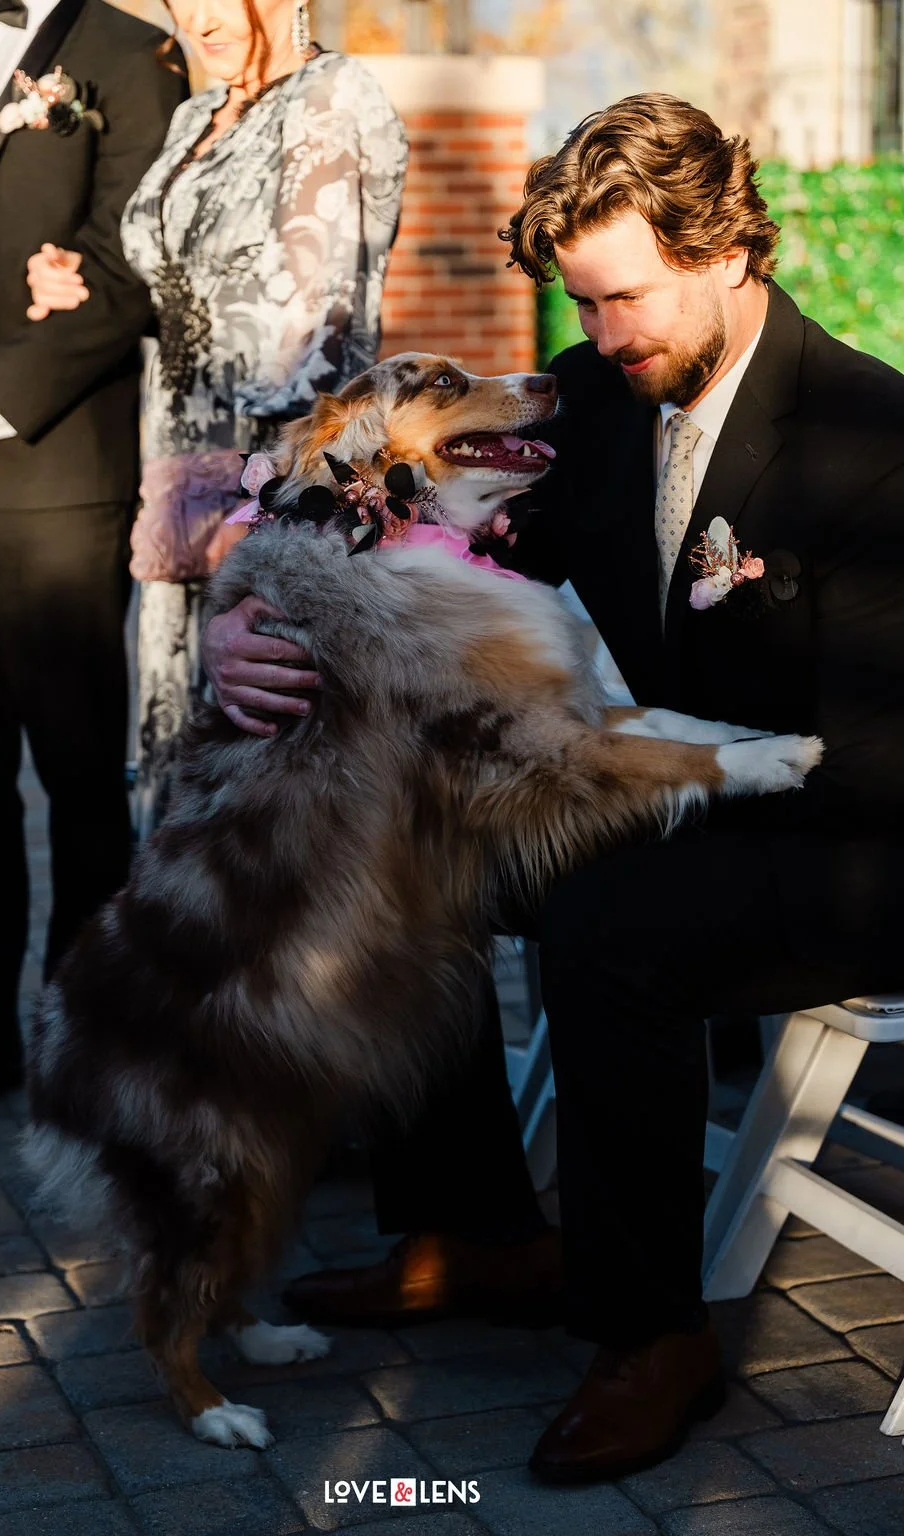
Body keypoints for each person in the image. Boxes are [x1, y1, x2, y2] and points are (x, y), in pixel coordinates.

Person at [202, 93, 904, 1484]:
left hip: (855, 838)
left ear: (730, 249)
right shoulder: (595, 396)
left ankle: (651, 1334)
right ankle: (482, 1227)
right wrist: (243, 612)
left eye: (625, 298)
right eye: (581, 306)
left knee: (610, 918)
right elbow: (374, 510)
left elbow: (876, 762)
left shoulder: (872, 435)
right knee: (398, 845)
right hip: (681, 795)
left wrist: (612, 788)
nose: (601, 336)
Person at [0, 0, 188, 1131]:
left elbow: (128, 267)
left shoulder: (127, 54)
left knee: (78, 783)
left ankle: (91, 1051)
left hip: (56, 475)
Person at [24, 0, 408, 835]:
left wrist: (250, 543)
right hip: (178, 513)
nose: (193, 15)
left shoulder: (333, 96)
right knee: (188, 826)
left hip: (273, 528)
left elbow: (317, 352)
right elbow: (158, 283)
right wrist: (77, 280)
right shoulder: (197, 113)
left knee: (280, 836)